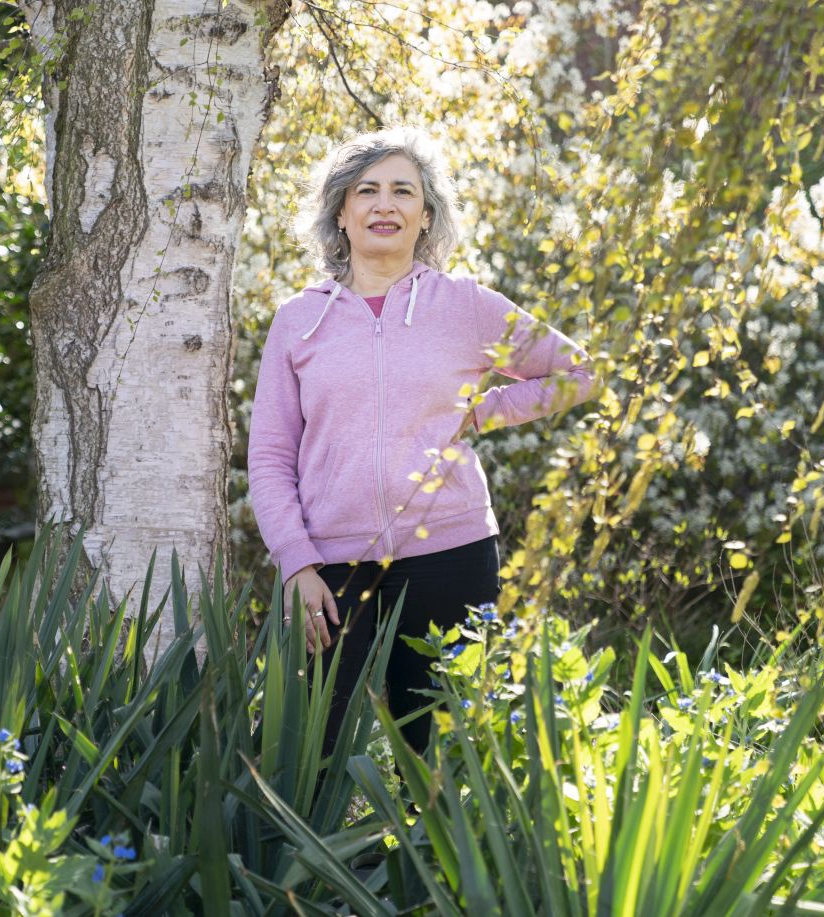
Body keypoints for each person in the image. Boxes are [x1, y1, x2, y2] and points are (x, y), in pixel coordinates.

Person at [246, 126, 596, 758]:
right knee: (305, 752)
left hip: (451, 555)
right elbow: (270, 456)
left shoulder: (467, 306)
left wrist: (481, 413)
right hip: (330, 565)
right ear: (342, 213)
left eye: (402, 191)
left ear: (426, 214)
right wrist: (296, 563)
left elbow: (580, 373)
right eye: (367, 191)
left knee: (435, 751)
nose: (386, 205)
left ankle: (426, 859)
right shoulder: (300, 319)